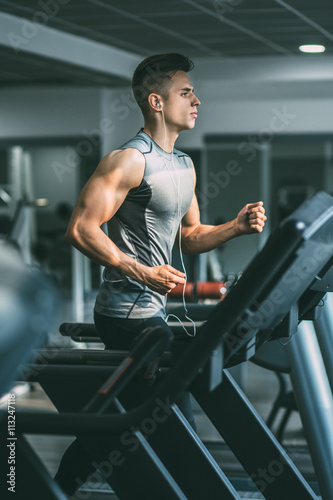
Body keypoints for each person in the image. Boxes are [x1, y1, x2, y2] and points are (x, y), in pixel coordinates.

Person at [56, 53, 266, 495]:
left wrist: (235, 227)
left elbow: (190, 236)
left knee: (122, 419)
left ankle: (54, 487)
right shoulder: (128, 160)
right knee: (172, 422)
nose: (197, 101)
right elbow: (80, 228)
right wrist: (140, 271)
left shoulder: (184, 165)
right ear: (156, 101)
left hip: (153, 309)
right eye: (186, 93)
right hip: (126, 314)